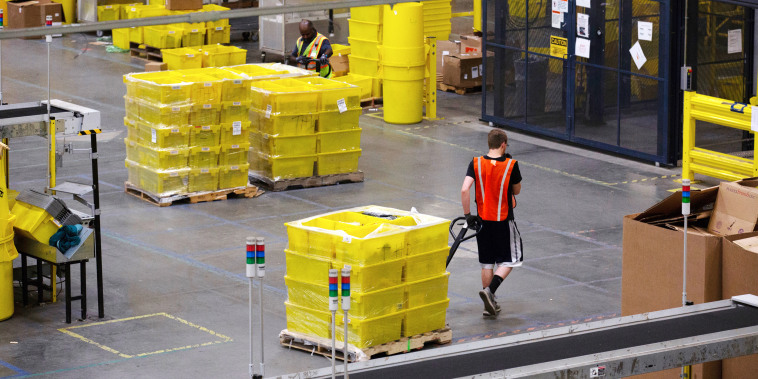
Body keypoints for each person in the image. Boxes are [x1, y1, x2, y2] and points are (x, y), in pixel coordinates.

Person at [460, 129, 523, 317]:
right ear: (503, 144)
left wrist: (468, 215)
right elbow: (517, 191)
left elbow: (465, 190)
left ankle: (489, 304)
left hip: (482, 221)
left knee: (487, 263)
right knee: (512, 259)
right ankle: (490, 291)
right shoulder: (512, 165)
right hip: (503, 219)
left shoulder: (476, 163)